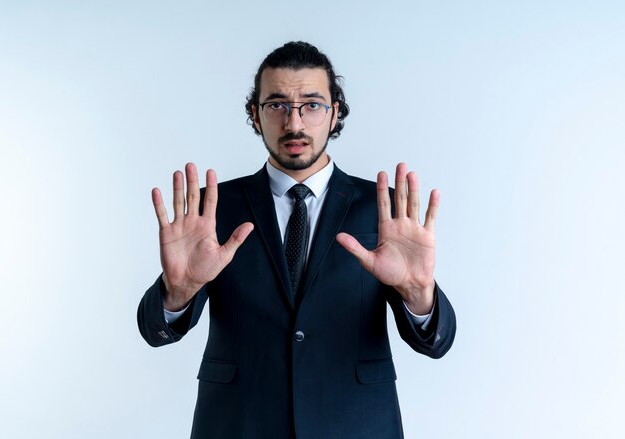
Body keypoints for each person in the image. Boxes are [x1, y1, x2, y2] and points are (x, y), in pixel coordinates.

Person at [137, 41, 456, 439]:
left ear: (334, 112)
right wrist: (176, 292)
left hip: (356, 423)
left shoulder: (384, 211)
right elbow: (154, 331)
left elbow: (435, 344)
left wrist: (418, 294)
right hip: (238, 424)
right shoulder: (211, 210)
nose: (295, 123)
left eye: (312, 104)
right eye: (277, 105)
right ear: (255, 114)